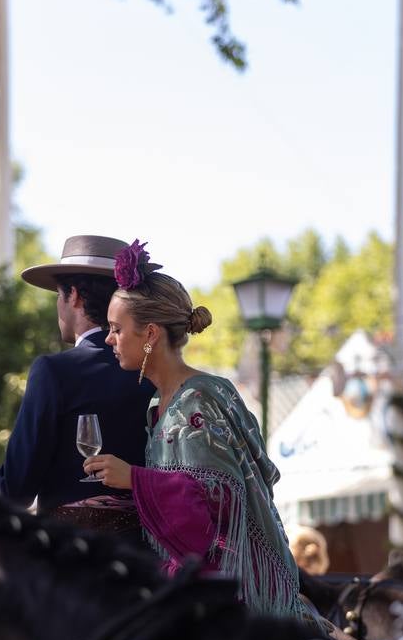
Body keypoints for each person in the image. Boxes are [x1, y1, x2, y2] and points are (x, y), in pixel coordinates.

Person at [83, 239, 315, 620]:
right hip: (192, 588)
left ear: (151, 335)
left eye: (115, 329)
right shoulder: (159, 404)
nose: (108, 339)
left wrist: (133, 480)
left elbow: (221, 501)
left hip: (237, 602)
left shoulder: (200, 398)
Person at [0, 235, 154, 512]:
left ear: (75, 296)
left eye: (59, 294)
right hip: (153, 550)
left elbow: (14, 490)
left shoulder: (54, 371)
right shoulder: (154, 369)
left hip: (74, 549)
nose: (58, 304)